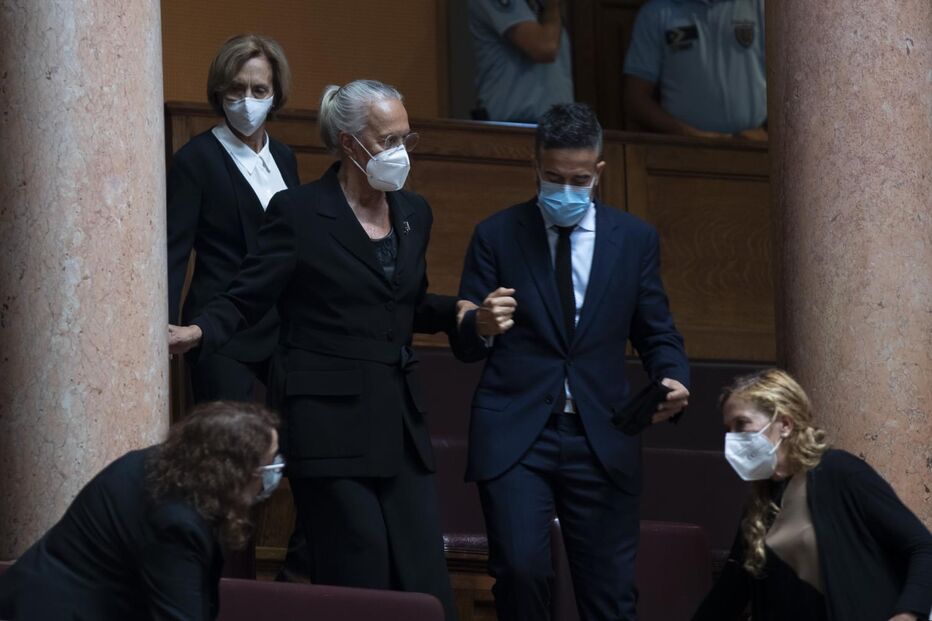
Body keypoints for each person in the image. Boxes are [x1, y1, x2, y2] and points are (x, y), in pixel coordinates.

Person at [168, 79, 504, 620]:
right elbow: (248, 295)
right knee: (358, 577)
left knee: (424, 582)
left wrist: (469, 319)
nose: (401, 152)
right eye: (388, 140)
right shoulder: (299, 211)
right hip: (328, 423)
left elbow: (406, 304)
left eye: (406, 139)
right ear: (350, 144)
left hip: (399, 422)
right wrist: (200, 331)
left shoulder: (414, 212)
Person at [455, 102, 690, 620]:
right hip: (517, 431)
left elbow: (657, 332)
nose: (566, 189)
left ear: (598, 171)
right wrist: (481, 324)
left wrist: (673, 377)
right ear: (535, 167)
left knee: (609, 595)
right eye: (554, 177)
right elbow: (466, 338)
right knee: (521, 573)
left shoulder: (634, 240)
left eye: (579, 179)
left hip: (601, 433)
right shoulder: (497, 234)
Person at [0, 401, 282, 621]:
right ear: (234, 473)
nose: (274, 473)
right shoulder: (177, 522)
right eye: (268, 464)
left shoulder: (170, 466)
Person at [693, 368, 932, 621]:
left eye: (741, 424)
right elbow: (728, 594)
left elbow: (923, 547)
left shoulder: (839, 472)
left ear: (785, 424)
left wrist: (907, 614)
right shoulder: (760, 506)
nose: (732, 439)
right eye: (728, 429)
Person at [167, 33, 300, 404]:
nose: (247, 100)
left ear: (275, 94)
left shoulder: (285, 158)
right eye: (236, 89)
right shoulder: (196, 159)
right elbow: (174, 251)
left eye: (259, 90)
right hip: (217, 327)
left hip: (282, 327)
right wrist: (163, 327)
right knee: (225, 435)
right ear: (219, 91)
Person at [622, 0, 768, 139]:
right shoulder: (656, 13)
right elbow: (636, 100)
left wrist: (767, 133)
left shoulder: (764, 8)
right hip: (682, 148)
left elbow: (783, 85)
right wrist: (687, 134)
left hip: (756, 148)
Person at [469, 0, 574, 123]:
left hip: (556, 123)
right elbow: (545, 48)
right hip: (515, 123)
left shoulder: (541, 6)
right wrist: (553, 6)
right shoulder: (549, 9)